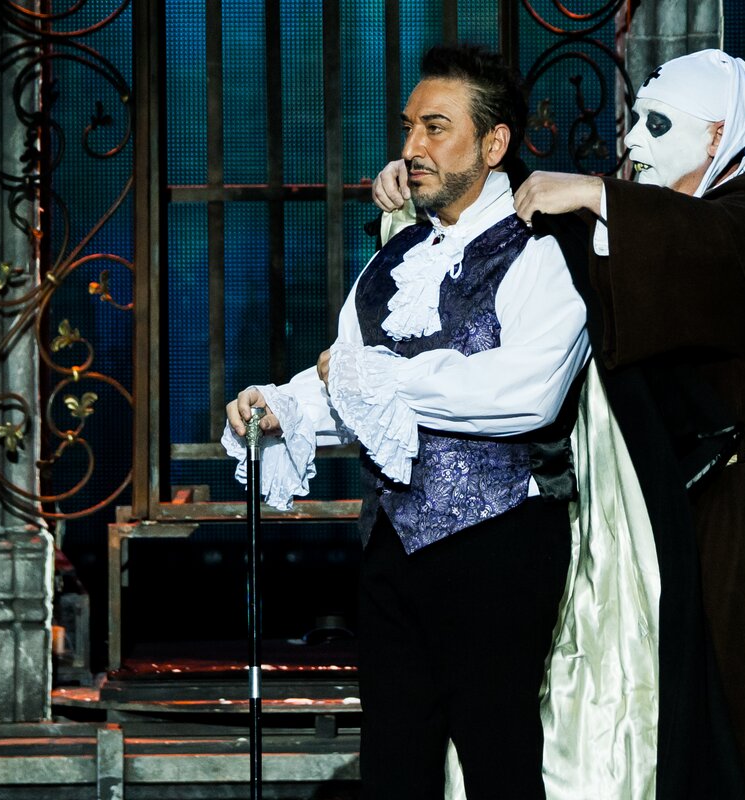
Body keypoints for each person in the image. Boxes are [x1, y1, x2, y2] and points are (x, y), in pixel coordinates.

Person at [374, 48, 745, 800]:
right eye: (635, 120)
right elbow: (568, 242)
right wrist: (427, 184)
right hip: (692, 516)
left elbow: (711, 244)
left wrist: (596, 193)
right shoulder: (664, 218)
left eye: (657, 125)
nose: (634, 140)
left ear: (716, 137)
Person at [224, 44, 590, 799]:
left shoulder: (541, 252)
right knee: (395, 764)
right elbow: (350, 382)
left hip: (498, 541)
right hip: (393, 542)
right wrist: (284, 406)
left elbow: (528, 393)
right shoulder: (393, 263)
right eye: (409, 127)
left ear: (494, 144)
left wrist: (380, 378)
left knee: (498, 763)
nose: (412, 147)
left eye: (436, 128)